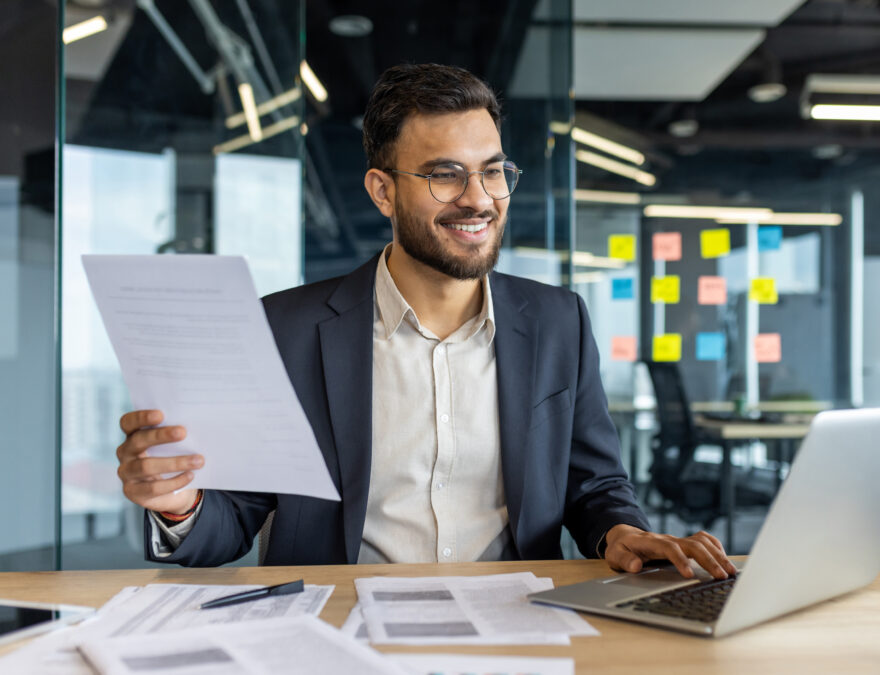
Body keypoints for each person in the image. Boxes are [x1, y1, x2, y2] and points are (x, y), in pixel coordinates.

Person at [115, 63, 736, 579]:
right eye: (444, 175)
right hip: (339, 632)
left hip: (519, 628)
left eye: (493, 171)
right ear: (383, 192)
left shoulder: (557, 321)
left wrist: (620, 534)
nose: (479, 197)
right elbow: (237, 513)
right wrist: (179, 502)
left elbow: (593, 486)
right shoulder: (286, 330)